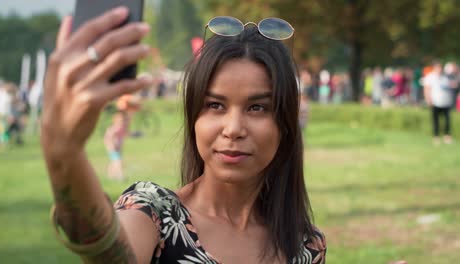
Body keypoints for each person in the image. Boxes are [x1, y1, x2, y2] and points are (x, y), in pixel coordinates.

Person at [40, 8, 326, 263]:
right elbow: (110, 253)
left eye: (257, 107)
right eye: (215, 105)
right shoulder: (155, 213)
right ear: (193, 118)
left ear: (286, 123)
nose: (233, 128)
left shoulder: (306, 246)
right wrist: (63, 153)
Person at [423, 61, 455, 145]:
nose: (439, 69)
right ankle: (436, 136)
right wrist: (428, 99)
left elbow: (449, 87)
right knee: (435, 120)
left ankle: (447, 136)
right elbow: (427, 89)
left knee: (447, 120)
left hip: (445, 102)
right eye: (438, 67)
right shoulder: (430, 77)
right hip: (435, 102)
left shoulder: (445, 77)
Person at [104, 111, 129, 180]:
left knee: (113, 161)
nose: (125, 123)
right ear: (116, 121)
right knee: (118, 161)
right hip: (113, 147)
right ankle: (121, 176)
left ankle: (111, 175)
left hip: (118, 148)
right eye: (123, 121)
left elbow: (125, 134)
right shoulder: (115, 128)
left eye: (126, 120)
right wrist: (112, 145)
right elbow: (109, 136)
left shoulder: (122, 128)